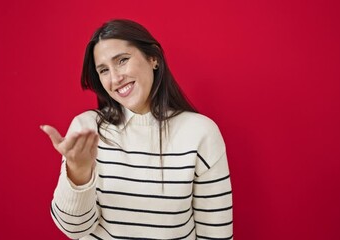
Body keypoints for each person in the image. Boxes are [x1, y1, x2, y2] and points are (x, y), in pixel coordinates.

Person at [41, 19, 233, 240]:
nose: (115, 78)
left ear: (153, 58)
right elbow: (74, 230)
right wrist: (79, 172)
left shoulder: (200, 133)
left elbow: (216, 234)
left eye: (122, 60)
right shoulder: (87, 129)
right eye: (103, 70)